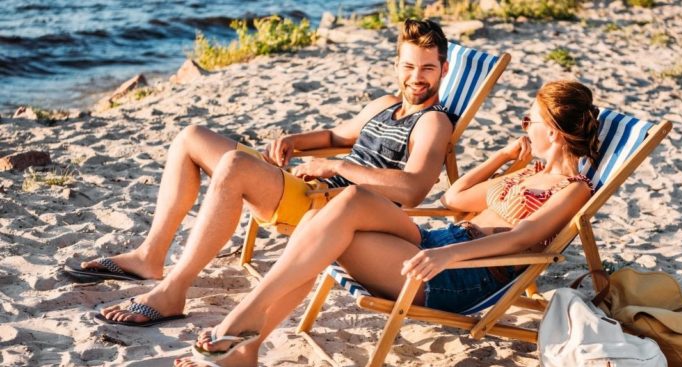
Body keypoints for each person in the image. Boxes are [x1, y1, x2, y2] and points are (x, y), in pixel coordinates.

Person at [172, 80, 602, 367]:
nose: (523, 128)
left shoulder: (573, 189)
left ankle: (244, 332)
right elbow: (454, 199)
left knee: (325, 237)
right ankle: (246, 338)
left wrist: (446, 255)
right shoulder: (526, 174)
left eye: (529, 122)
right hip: (442, 242)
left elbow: (523, 238)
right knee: (349, 202)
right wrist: (505, 158)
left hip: (463, 274)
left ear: (556, 132)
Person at [72, 19, 456, 324]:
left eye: (427, 67)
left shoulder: (432, 123)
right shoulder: (385, 104)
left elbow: (412, 189)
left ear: (443, 69)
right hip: (310, 184)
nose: (416, 77)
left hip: (327, 206)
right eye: (408, 66)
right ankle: (149, 256)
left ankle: (174, 289)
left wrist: (335, 165)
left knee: (236, 165)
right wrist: (294, 141)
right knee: (191, 137)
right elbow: (336, 134)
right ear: (396, 66)